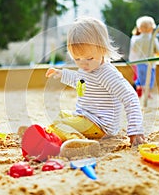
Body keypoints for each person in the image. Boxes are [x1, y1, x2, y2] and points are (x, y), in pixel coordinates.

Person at [45, 17, 145, 158]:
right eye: (77, 59)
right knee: (61, 116)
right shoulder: (88, 68)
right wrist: (61, 74)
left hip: (100, 124)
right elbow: (81, 83)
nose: (83, 65)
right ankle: (59, 136)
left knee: (57, 124)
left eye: (89, 58)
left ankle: (81, 143)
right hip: (87, 117)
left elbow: (130, 97)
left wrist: (135, 130)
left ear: (103, 49)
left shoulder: (107, 74)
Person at [129, 16, 159, 97]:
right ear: (152, 28)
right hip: (150, 64)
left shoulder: (136, 39)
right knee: (149, 80)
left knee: (141, 78)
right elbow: (158, 50)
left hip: (140, 62)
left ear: (139, 28)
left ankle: (139, 87)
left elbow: (134, 49)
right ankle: (148, 93)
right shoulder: (153, 39)